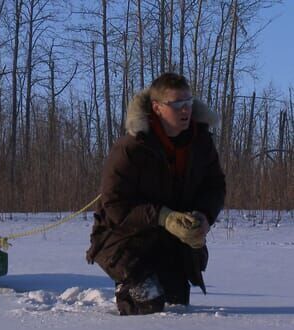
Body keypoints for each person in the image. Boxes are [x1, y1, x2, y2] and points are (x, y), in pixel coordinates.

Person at [86, 73, 226, 315]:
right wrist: (164, 217)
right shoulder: (131, 147)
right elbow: (115, 204)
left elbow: (215, 185)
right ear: (157, 108)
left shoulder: (201, 141)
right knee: (148, 305)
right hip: (125, 240)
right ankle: (128, 287)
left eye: (189, 102)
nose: (186, 110)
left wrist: (204, 216)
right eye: (177, 104)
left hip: (171, 244)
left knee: (177, 305)